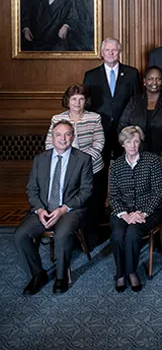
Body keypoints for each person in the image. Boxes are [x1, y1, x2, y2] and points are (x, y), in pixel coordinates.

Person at [14, 120, 93, 294]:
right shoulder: (40, 159)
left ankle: (61, 276)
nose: (63, 138)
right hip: (43, 209)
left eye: (67, 134)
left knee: (62, 234)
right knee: (21, 235)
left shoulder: (83, 159)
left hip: (69, 210)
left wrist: (64, 209)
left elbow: (86, 191)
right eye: (59, 134)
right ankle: (37, 274)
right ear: (52, 137)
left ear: (72, 137)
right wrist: (40, 210)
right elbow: (32, 189)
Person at [118, 66, 162, 222]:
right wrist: (131, 148)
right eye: (151, 78)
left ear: (161, 82)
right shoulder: (134, 101)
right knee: (137, 193)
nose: (154, 82)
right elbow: (122, 126)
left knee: (161, 195)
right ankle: (138, 227)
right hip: (136, 157)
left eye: (158, 79)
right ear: (144, 81)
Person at [108, 126, 162, 293]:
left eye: (136, 141)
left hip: (149, 211)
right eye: (128, 142)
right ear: (122, 144)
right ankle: (120, 273)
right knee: (117, 235)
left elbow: (157, 192)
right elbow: (113, 196)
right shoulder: (116, 165)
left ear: (140, 143)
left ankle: (131, 272)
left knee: (132, 233)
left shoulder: (152, 160)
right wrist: (125, 215)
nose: (132, 145)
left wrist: (143, 213)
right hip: (122, 212)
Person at [83, 38, 140, 159]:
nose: (111, 53)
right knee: (100, 167)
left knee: (124, 165)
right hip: (99, 128)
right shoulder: (90, 76)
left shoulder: (132, 73)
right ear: (102, 53)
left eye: (114, 50)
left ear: (119, 52)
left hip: (125, 129)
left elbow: (137, 101)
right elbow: (86, 104)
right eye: (107, 50)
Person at [21, 0, 93, 52]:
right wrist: (25, 28)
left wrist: (67, 26)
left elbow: (79, 16)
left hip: (59, 40)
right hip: (37, 38)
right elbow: (26, 12)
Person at [46, 85, 104, 177]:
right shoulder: (57, 119)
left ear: (85, 101)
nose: (77, 102)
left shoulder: (94, 118)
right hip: (64, 166)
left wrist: (84, 161)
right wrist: (64, 159)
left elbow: (99, 143)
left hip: (91, 167)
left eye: (81, 99)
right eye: (74, 99)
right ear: (68, 101)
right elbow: (49, 144)